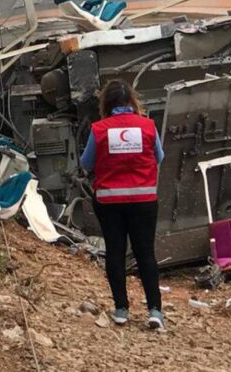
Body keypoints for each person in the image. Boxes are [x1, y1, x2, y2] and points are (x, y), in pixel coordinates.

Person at [78, 80, 165, 330]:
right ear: (132, 102)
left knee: (115, 252)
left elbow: (86, 163)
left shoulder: (99, 130)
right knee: (145, 253)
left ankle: (121, 309)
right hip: (144, 201)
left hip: (109, 202)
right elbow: (159, 157)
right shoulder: (148, 126)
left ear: (105, 103)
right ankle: (155, 311)